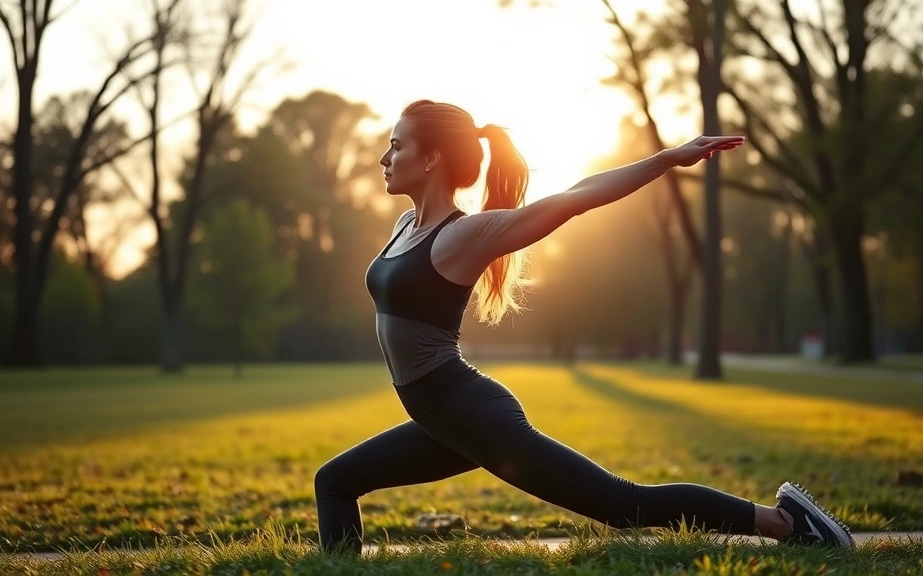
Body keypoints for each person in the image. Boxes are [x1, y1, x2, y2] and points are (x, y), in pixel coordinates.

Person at [313, 99, 854, 555]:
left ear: (431, 157)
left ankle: (785, 523)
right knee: (335, 481)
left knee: (623, 505)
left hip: (468, 413)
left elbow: (575, 199)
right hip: (440, 418)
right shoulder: (407, 224)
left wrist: (665, 159)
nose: (384, 158)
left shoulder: (463, 236)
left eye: (396, 145)